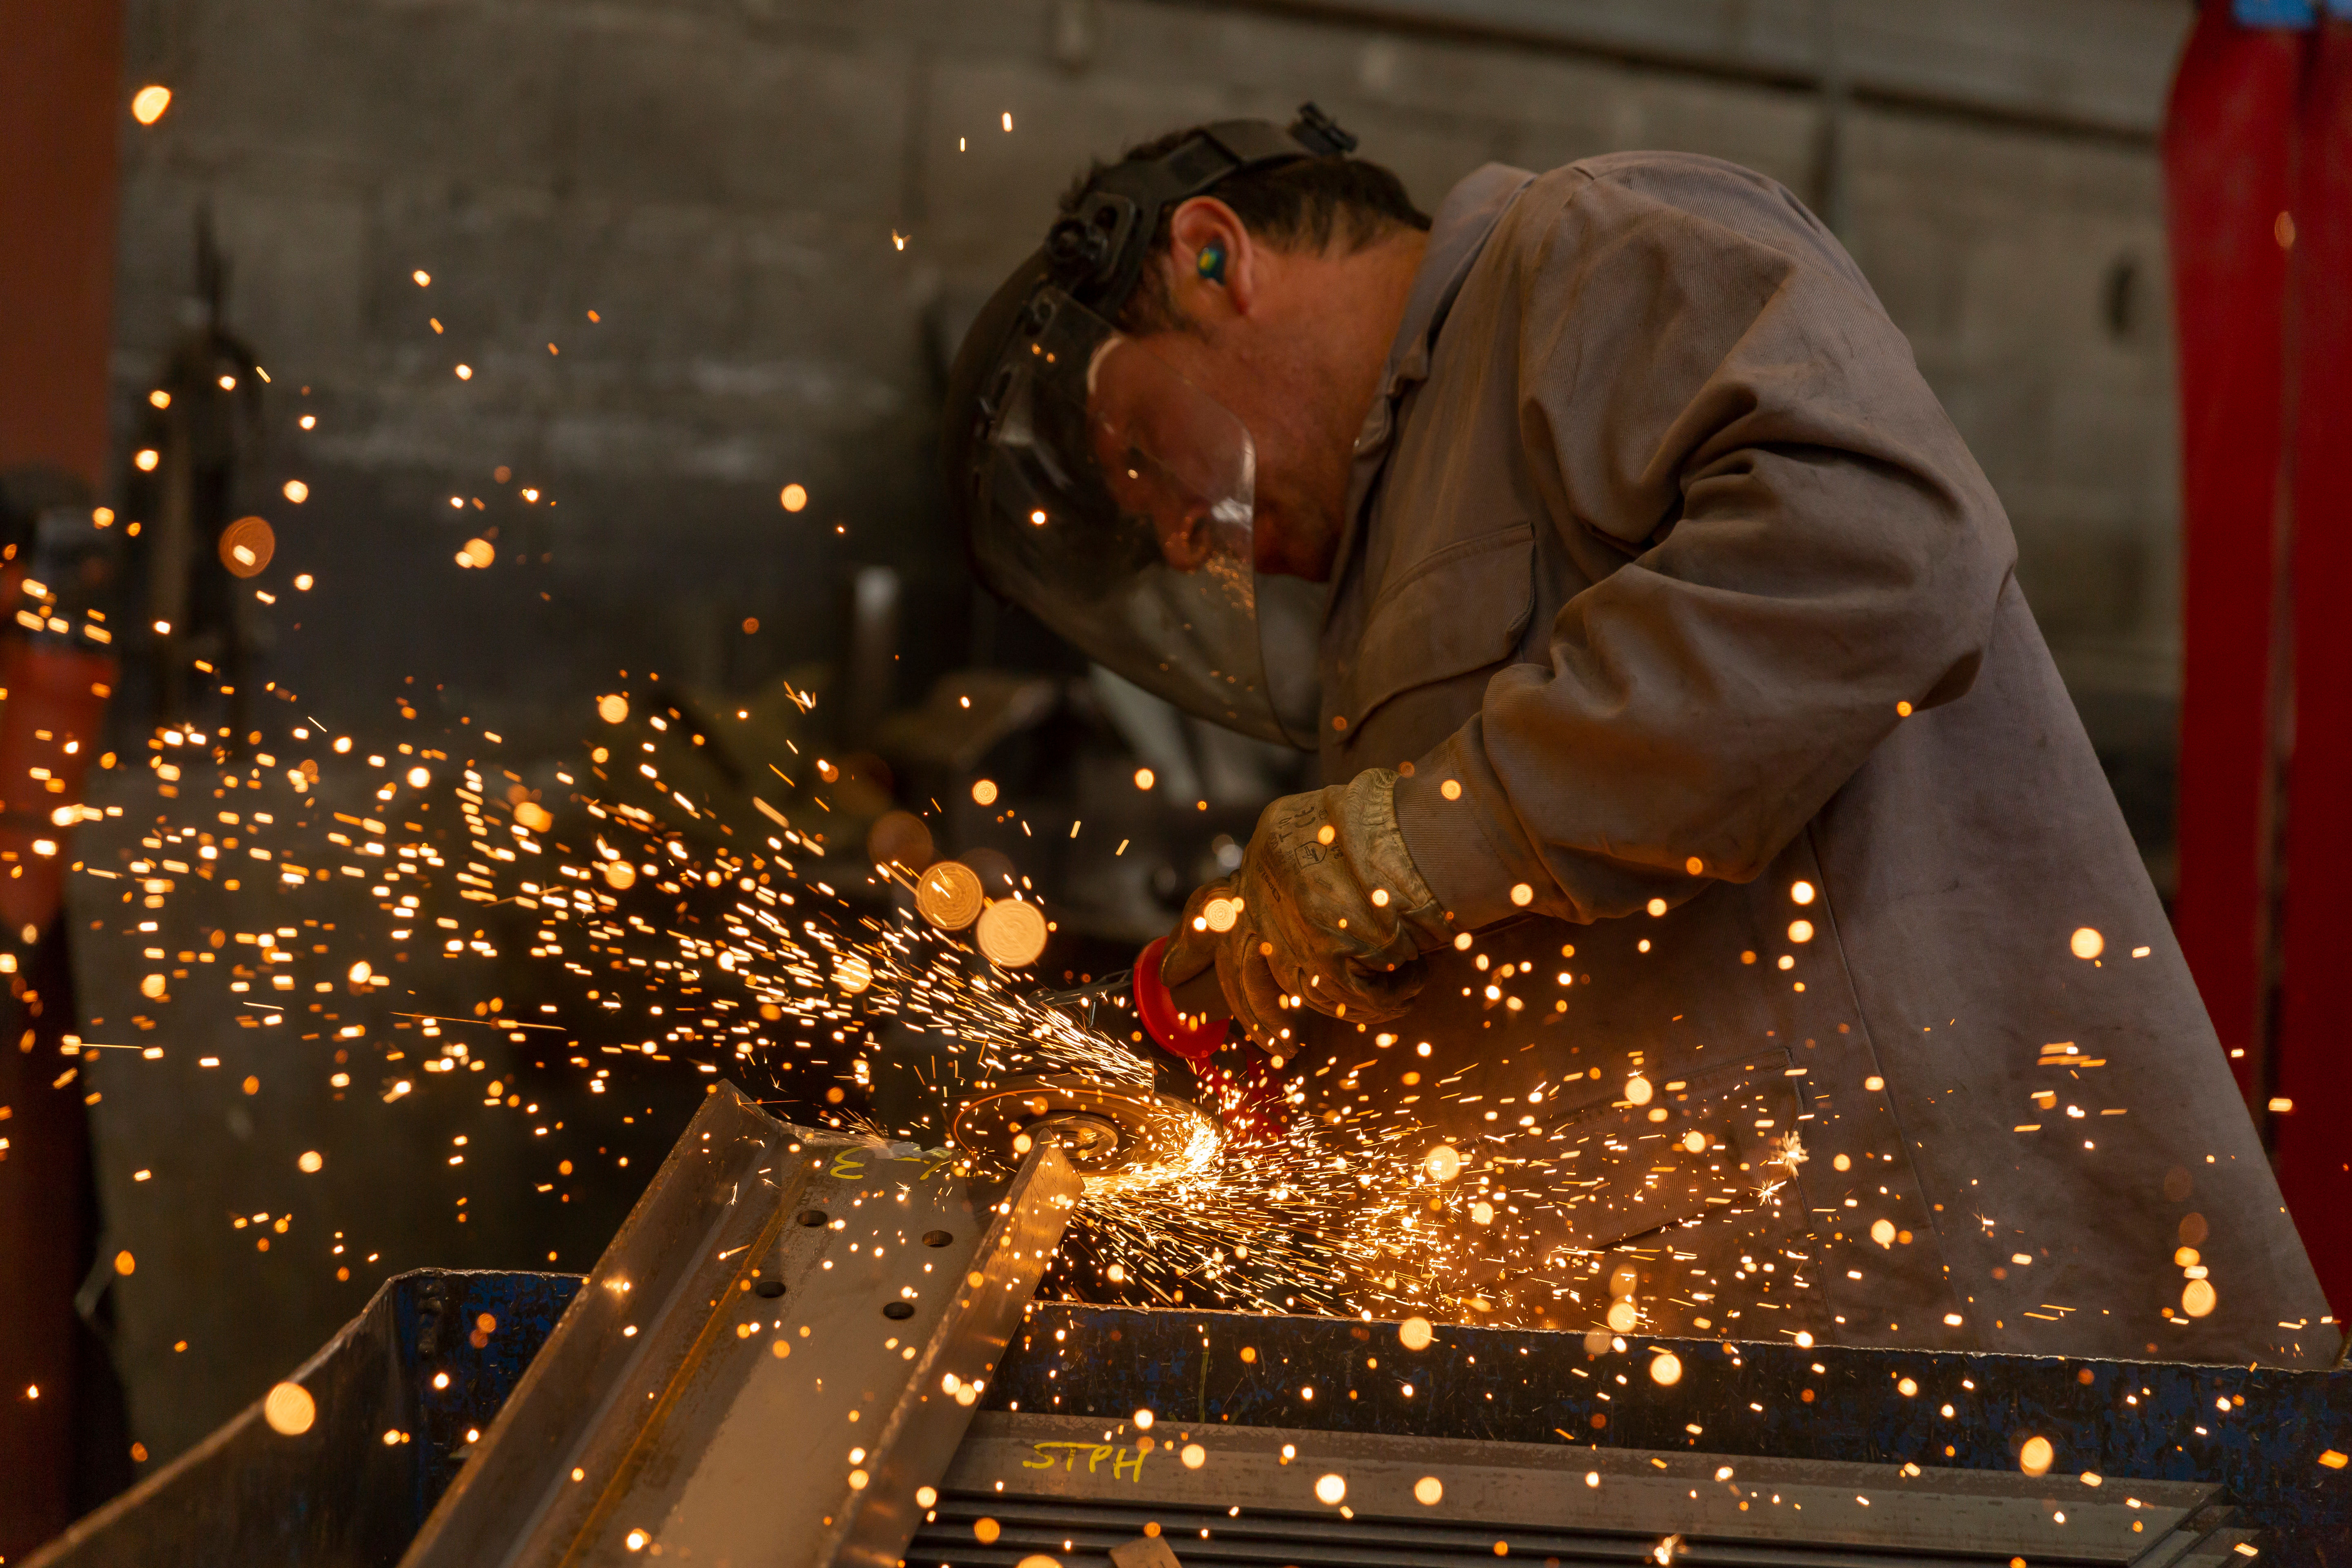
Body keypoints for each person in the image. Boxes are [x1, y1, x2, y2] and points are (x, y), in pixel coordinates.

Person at [940, 108, 2332, 1364]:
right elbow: (1555, 913)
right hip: (1697, 1375)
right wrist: (1307, 1002)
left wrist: (1409, 848)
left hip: (1970, 1345)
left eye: (1140, 463)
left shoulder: (1588, 250)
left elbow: (1882, 550)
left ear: (1210, 259)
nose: (1183, 542)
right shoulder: (1390, 553)